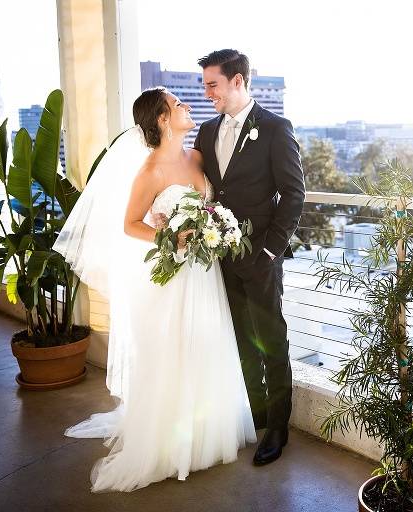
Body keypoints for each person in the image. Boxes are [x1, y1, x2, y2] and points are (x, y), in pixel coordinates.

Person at [54, 87, 256, 492]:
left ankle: (206, 436)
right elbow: (131, 224)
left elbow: (211, 207)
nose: (186, 106)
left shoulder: (196, 157)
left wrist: (216, 228)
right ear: (163, 119)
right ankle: (169, 446)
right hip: (173, 277)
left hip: (205, 273)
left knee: (206, 345)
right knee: (175, 352)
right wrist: (170, 236)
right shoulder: (150, 171)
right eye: (178, 104)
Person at [193, 49, 305, 465]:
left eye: (212, 84)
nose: (207, 93)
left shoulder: (275, 129)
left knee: (272, 340)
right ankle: (256, 415)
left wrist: (271, 251)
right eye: (205, 84)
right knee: (241, 340)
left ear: (237, 81)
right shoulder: (206, 131)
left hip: (261, 257)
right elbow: (201, 188)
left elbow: (294, 195)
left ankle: (278, 427)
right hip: (219, 259)